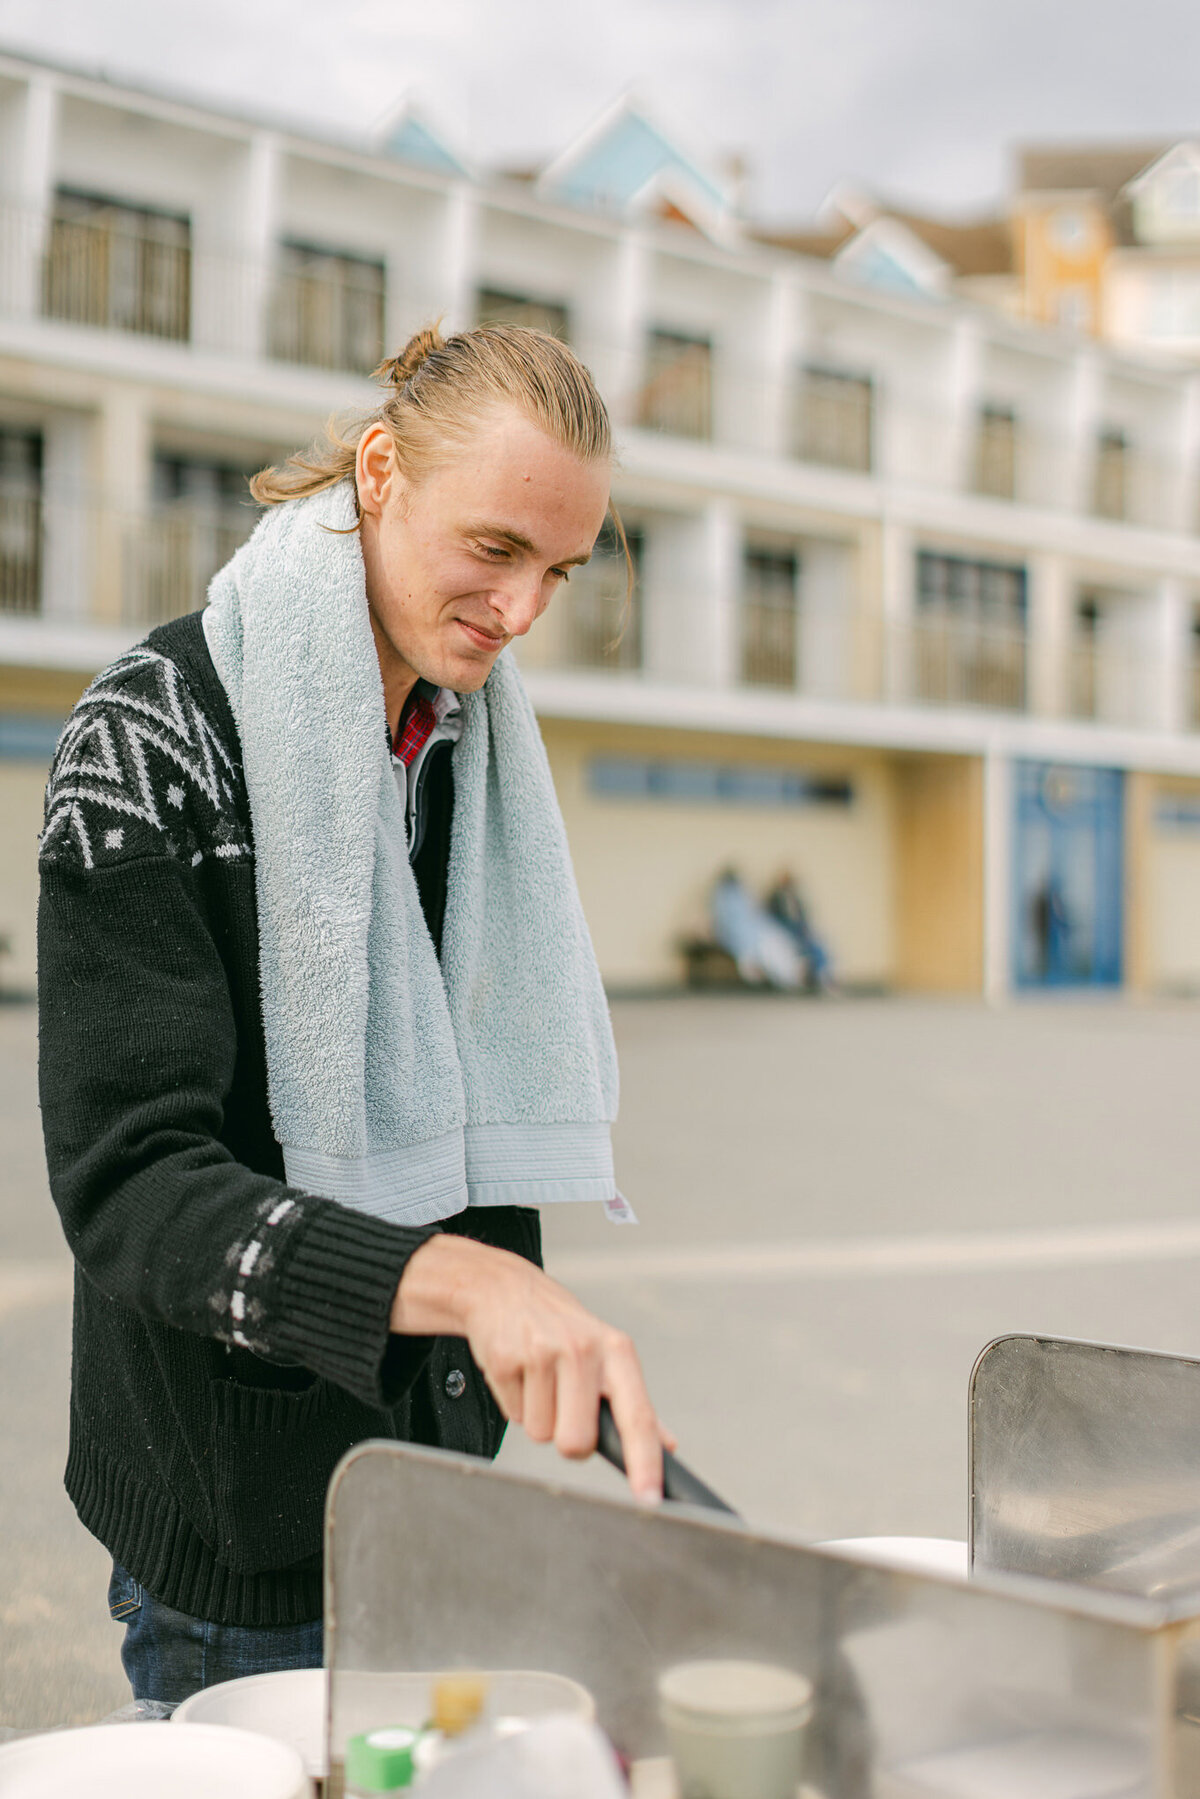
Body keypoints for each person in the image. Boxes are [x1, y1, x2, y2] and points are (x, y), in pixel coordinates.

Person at [37, 323, 671, 1704]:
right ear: (380, 470)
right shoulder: (146, 740)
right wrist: (476, 1282)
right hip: (236, 1523)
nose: (521, 615)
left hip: (439, 1483)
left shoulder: (468, 741)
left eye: (557, 570)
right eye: (494, 548)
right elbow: (131, 1187)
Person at [709, 867, 804, 990]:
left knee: (779, 943)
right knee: (767, 951)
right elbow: (723, 923)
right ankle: (785, 977)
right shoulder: (722, 898)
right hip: (746, 936)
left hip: (758, 931)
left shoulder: (744, 895)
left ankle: (792, 973)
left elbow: (758, 914)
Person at [765, 869, 834, 993]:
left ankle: (820, 977)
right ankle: (808, 979)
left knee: (816, 947)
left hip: (800, 930)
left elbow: (803, 917)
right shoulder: (775, 898)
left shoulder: (796, 898)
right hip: (785, 930)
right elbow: (773, 918)